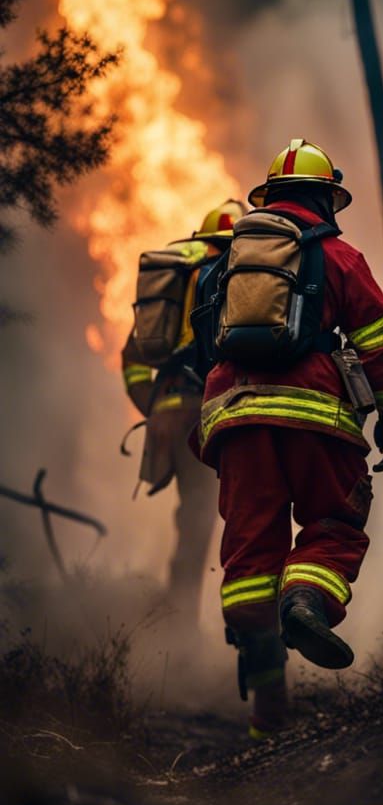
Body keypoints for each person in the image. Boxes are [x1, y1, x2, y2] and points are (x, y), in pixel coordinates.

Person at [193, 139, 383, 740]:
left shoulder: (225, 262)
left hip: (236, 421)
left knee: (250, 555)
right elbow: (380, 343)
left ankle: (267, 713)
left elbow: (202, 346)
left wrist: (210, 423)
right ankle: (306, 604)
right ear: (325, 197)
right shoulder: (339, 257)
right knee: (332, 526)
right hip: (318, 418)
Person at [121, 200, 243, 624]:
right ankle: (184, 625)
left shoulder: (173, 286)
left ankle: (176, 613)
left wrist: (154, 409)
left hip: (169, 416)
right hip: (208, 415)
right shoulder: (239, 282)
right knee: (201, 520)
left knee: (193, 516)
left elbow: (133, 358)